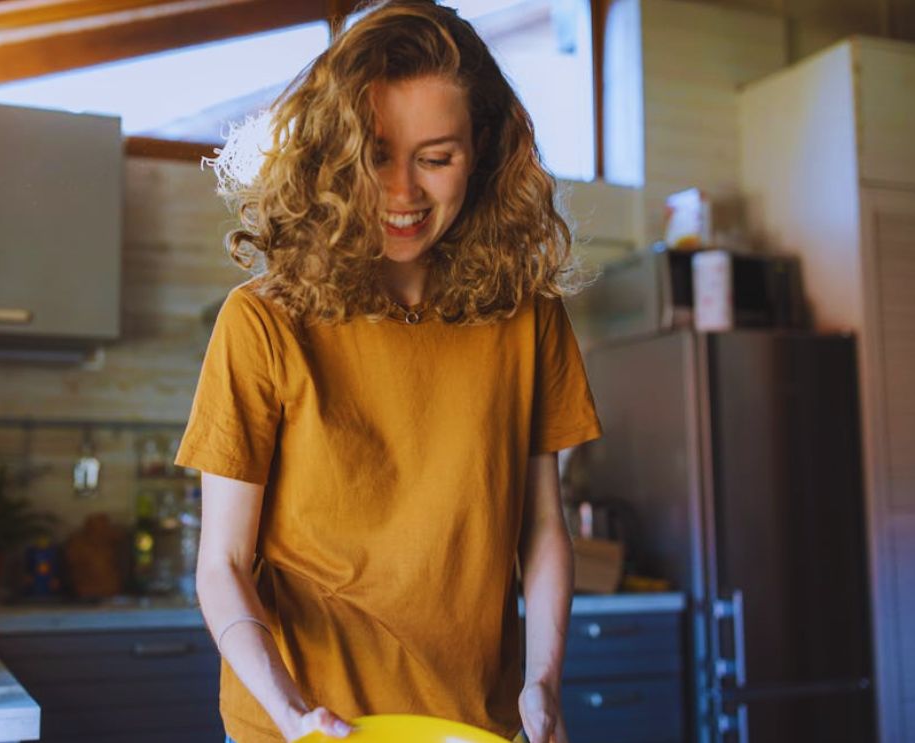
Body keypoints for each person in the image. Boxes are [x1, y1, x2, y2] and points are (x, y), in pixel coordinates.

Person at [175, 2, 602, 741]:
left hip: (472, 721)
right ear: (332, 156)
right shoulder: (263, 321)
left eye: (436, 158)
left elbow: (540, 528)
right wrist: (286, 709)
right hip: (305, 724)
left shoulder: (528, 318)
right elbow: (222, 564)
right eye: (375, 155)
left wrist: (542, 682)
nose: (402, 194)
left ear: (485, 151)